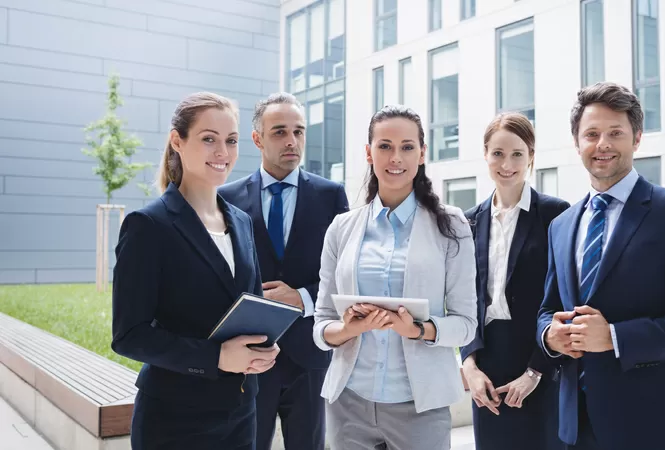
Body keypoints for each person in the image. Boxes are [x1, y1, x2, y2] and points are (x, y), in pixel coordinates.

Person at [536, 82, 665, 450]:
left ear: (637, 138)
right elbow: (548, 309)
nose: (603, 145)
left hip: (654, 424)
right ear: (576, 142)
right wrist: (549, 334)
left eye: (616, 133)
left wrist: (614, 337)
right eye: (591, 134)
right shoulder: (561, 225)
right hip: (574, 426)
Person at [111, 92, 281, 450]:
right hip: (174, 420)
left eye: (231, 141)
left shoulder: (242, 222)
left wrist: (264, 345)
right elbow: (129, 335)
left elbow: (253, 305)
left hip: (240, 412)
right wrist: (218, 357)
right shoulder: (149, 225)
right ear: (178, 141)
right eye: (209, 139)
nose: (223, 152)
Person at [312, 105, 478, 450]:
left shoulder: (452, 224)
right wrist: (347, 330)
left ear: (422, 154)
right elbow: (321, 323)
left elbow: (466, 324)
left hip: (420, 404)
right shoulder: (342, 228)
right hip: (348, 402)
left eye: (406, 147)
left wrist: (418, 330)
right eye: (384, 146)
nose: (395, 157)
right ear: (368, 153)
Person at [218, 92, 349, 450]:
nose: (292, 141)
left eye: (298, 131)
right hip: (251, 353)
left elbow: (344, 273)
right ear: (258, 139)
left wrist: (302, 298)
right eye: (279, 132)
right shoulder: (226, 199)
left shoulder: (331, 195)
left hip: (310, 355)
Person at [461, 112, 569, 450]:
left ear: (531, 158)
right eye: (498, 153)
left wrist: (536, 372)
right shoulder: (469, 222)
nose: (506, 164)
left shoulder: (556, 214)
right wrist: (469, 365)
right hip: (487, 363)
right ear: (486, 155)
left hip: (539, 358)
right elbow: (463, 298)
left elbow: (564, 299)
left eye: (517, 154)